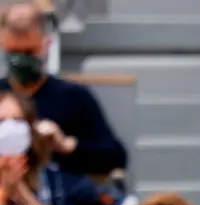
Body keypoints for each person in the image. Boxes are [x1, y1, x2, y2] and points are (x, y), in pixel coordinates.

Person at [0, 2, 127, 177]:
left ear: (46, 45)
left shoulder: (73, 97)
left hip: (63, 197)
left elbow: (116, 156)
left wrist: (67, 145)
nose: (21, 60)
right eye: (13, 52)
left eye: (29, 52)